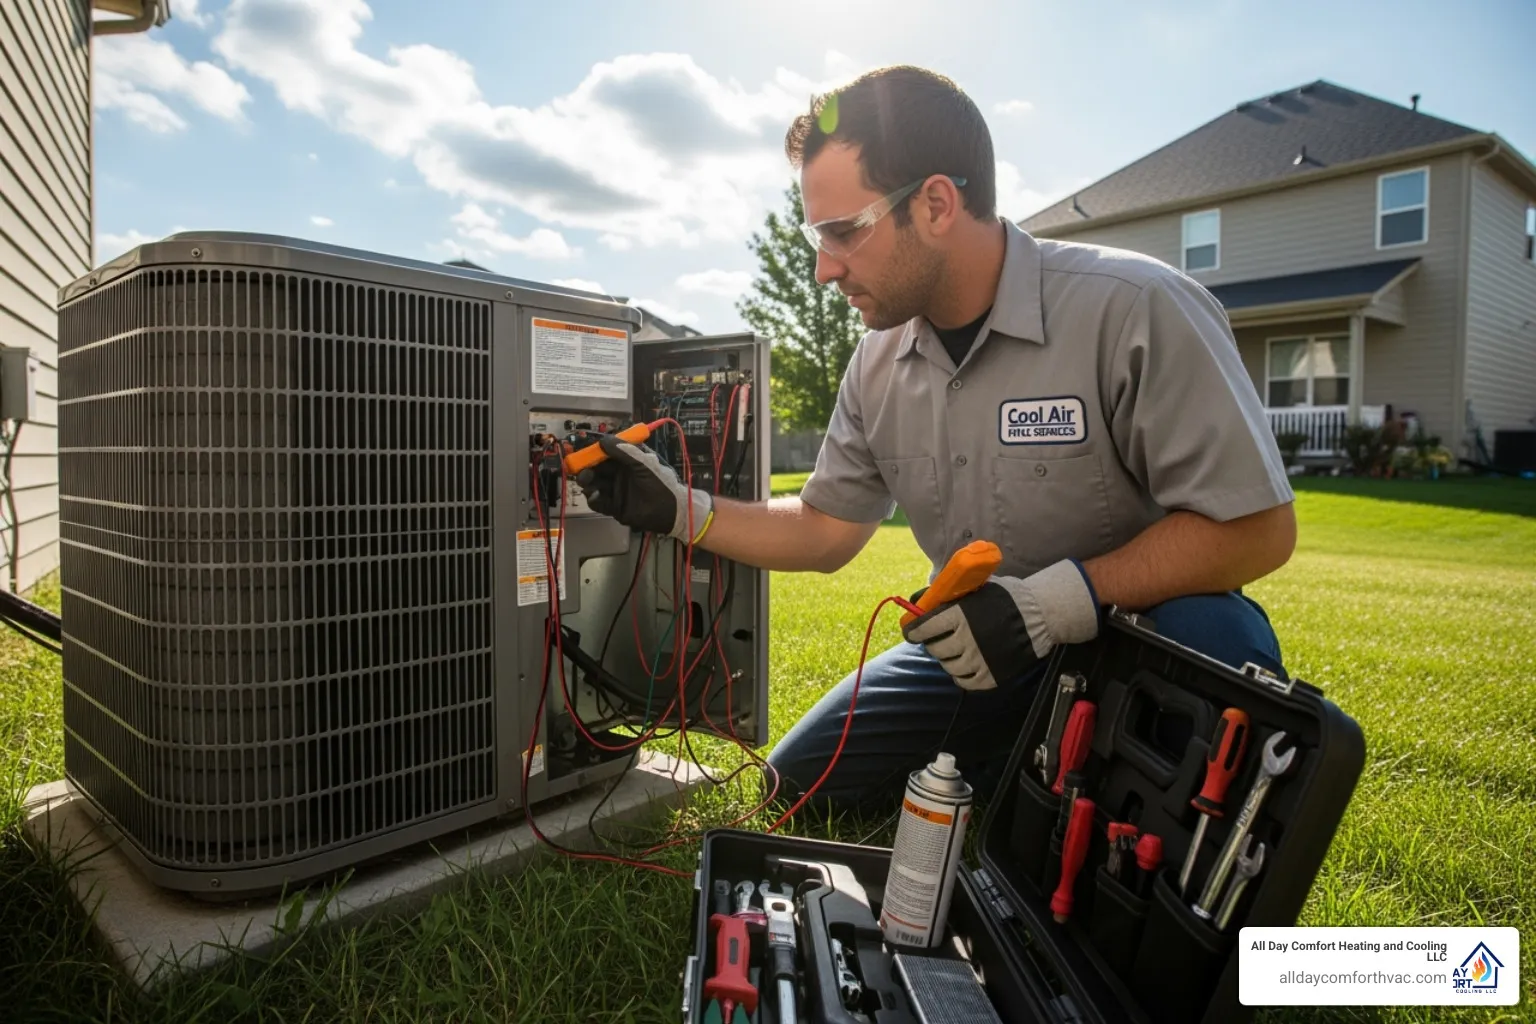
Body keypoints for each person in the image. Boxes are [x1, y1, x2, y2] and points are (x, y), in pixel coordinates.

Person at [576, 65, 1297, 814]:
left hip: (1143, 636)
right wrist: (680, 510)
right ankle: (1021, 768)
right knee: (796, 791)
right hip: (979, 655)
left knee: (1216, 639)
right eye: (814, 237)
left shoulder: (1137, 309)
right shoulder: (878, 361)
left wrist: (1052, 605)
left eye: (843, 231)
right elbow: (826, 530)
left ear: (937, 203)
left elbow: (1257, 530)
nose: (824, 269)